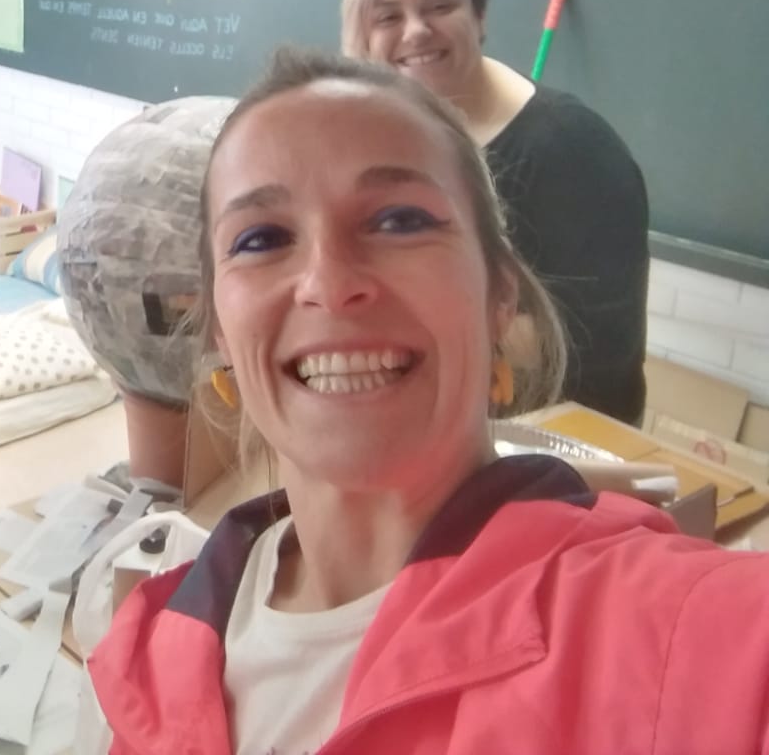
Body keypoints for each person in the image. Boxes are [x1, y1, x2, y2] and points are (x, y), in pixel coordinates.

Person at [87, 49, 769, 754]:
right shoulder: (155, 651)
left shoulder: (673, 632)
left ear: (499, 294)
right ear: (220, 330)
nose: (329, 283)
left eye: (399, 221)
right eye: (261, 238)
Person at [342, 0, 649, 423]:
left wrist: (397, 326)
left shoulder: (572, 148)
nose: (416, 31)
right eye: (388, 17)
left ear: (480, 18)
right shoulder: (388, 141)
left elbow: (589, 341)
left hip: (555, 435)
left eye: (440, 6)